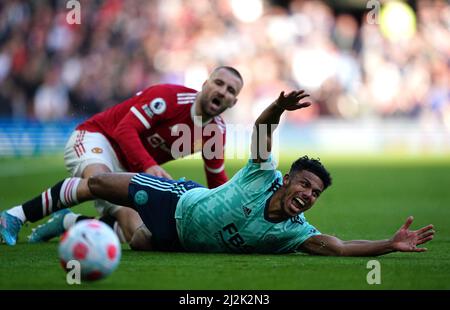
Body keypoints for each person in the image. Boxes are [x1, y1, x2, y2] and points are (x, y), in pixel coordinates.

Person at [82, 90, 434, 255]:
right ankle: (26, 211)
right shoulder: (263, 175)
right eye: (306, 184)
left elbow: (339, 247)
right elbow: (263, 131)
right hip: (180, 201)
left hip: (179, 239)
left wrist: (389, 244)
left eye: (316, 194)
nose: (309, 195)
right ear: (286, 180)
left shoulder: (294, 233)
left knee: (137, 241)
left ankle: (88, 224)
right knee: (97, 183)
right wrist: (278, 107)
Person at [0, 66, 244, 246]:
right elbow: (124, 130)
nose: (222, 92)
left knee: (141, 237)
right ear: (205, 84)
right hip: (99, 138)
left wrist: (230, 214)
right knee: (99, 181)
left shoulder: (215, 133)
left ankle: (67, 223)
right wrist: (148, 166)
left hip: (131, 171)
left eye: (230, 90)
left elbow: (217, 182)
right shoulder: (168, 98)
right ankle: (15, 216)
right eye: (218, 83)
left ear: (234, 102)